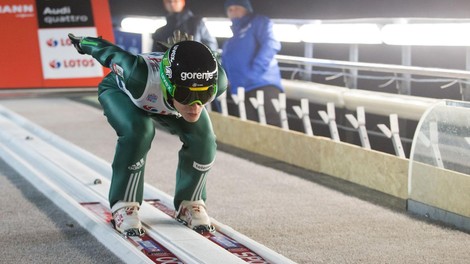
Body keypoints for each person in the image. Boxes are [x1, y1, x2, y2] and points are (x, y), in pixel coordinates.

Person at [68, 33, 227, 236]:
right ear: (168, 85)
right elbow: (110, 53)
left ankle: (191, 201)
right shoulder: (138, 75)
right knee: (139, 131)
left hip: (169, 104)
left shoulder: (218, 80)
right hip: (125, 94)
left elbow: (203, 60)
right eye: (185, 94)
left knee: (204, 140)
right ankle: (124, 204)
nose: (195, 106)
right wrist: (83, 42)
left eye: (205, 95)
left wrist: (183, 92)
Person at [221, 0, 284, 127]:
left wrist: (254, 72)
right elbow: (225, 65)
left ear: (246, 9)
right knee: (249, 130)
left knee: (273, 129)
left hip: (263, 85)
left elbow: (271, 44)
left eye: (237, 7)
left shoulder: (260, 22)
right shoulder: (230, 42)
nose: (233, 12)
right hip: (240, 90)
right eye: (230, 9)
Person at [152, 0, 218, 51]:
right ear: (164, 3)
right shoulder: (160, 32)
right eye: (168, 1)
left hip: (196, 67)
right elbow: (154, 57)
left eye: (175, 0)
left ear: (183, 2)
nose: (172, 3)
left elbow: (212, 47)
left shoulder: (197, 23)